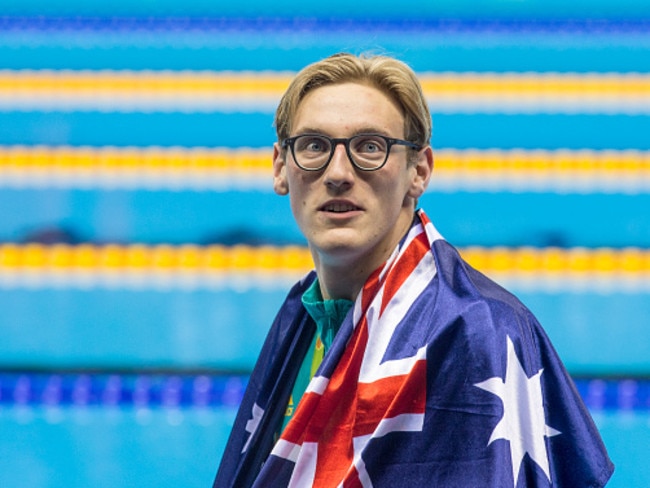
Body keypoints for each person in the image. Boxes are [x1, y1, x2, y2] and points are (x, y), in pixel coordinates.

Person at [214, 52, 614, 487]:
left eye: (370, 147)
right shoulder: (300, 320)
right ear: (280, 167)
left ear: (418, 172)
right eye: (314, 145)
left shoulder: (476, 330)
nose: (339, 173)